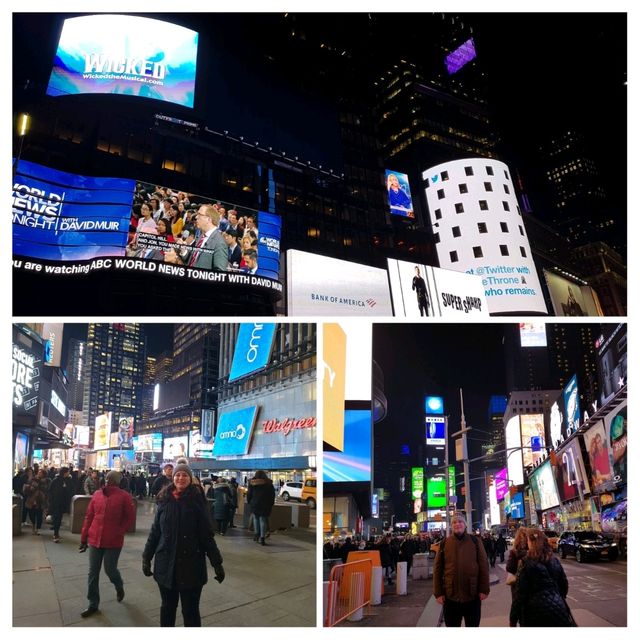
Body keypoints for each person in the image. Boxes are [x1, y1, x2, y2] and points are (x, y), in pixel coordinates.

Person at [142, 462, 225, 627]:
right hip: (166, 565)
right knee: (167, 608)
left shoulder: (198, 502)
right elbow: (155, 532)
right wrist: (146, 557)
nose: (180, 478)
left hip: (191, 567)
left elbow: (207, 536)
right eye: (178, 475)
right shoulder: (164, 500)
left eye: (184, 475)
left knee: (191, 611)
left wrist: (217, 563)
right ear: (173, 478)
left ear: (190, 478)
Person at [78, 470, 136, 618]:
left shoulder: (124, 496)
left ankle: (119, 585)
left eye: (112, 478)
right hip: (95, 537)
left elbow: (130, 517)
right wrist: (84, 537)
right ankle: (93, 603)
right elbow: (89, 516)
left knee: (110, 569)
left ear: (117, 481)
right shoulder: (97, 495)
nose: (109, 480)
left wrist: (120, 531)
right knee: (93, 572)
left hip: (113, 540)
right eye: (108, 478)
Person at [433, 514, 490, 627]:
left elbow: (484, 566)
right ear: (451, 526)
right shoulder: (445, 543)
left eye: (460, 522)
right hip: (451, 596)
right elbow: (437, 569)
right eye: (454, 522)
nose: (457, 524)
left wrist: (484, 589)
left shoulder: (475, 541)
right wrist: (438, 593)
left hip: (472, 595)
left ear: (465, 524)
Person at [509, 528, 573, 626]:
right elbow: (564, 585)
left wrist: (513, 619)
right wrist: (556, 598)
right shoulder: (554, 560)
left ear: (530, 542)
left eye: (528, 541)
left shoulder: (526, 563)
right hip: (558, 609)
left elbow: (520, 594)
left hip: (534, 613)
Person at [165, 204, 228, 270]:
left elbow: (220, 273)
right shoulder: (202, 237)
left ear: (209, 219)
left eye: (199, 214)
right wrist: (183, 250)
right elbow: (194, 260)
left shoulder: (220, 243)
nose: (196, 217)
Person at [247, 470, 275, 545]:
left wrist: (249, 501)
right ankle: (262, 538)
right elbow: (272, 495)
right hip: (265, 504)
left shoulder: (252, 483)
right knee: (263, 520)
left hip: (255, 504)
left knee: (256, 518)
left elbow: (249, 493)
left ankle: (256, 534)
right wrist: (271, 503)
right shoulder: (269, 483)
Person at [48, 466, 72, 543]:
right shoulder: (55, 481)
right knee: (56, 518)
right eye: (68, 472)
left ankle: (56, 532)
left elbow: (70, 490)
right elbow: (50, 492)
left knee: (59, 518)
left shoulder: (68, 480)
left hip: (63, 503)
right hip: (56, 503)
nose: (69, 473)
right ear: (64, 472)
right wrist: (51, 501)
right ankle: (55, 534)